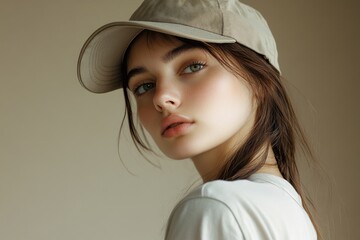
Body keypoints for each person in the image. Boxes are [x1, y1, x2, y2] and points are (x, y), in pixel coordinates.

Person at [77, 0, 320, 239]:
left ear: (259, 80)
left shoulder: (214, 208)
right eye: (144, 86)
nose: (161, 98)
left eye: (192, 67)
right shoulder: (287, 210)